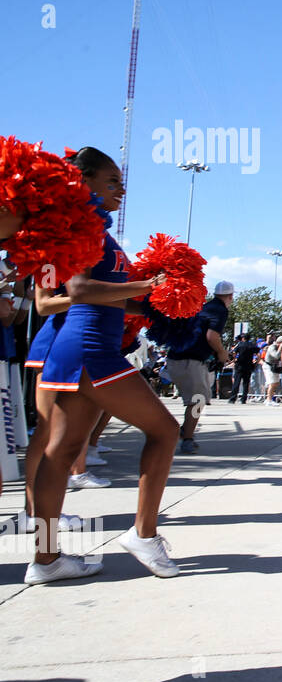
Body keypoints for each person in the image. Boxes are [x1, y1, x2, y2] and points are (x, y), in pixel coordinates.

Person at [30, 147, 180, 583]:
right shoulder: (83, 230)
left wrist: (157, 304)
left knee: (60, 452)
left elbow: (99, 293)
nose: (121, 188)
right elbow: (75, 289)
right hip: (89, 347)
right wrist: (149, 285)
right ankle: (144, 536)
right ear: (85, 182)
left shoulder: (90, 231)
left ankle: (45, 560)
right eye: (112, 180)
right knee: (165, 430)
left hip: (77, 348)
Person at [168, 280, 234, 454]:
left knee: (198, 398)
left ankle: (185, 430)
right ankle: (187, 437)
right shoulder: (220, 310)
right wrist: (221, 353)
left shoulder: (204, 307)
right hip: (191, 360)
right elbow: (212, 336)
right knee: (198, 400)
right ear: (230, 296)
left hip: (177, 357)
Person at [228, 331, 259, 403]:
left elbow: (234, 352)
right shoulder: (252, 345)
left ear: (243, 338)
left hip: (239, 365)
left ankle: (232, 399)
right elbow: (258, 354)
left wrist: (234, 359)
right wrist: (256, 362)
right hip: (248, 365)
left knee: (237, 382)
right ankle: (243, 399)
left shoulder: (240, 344)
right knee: (246, 382)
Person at [261, 333, 282, 406]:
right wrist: (281, 347)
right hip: (268, 366)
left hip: (274, 367)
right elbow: (276, 356)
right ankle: (269, 400)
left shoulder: (278, 348)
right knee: (272, 383)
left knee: (276, 383)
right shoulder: (272, 347)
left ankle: (269, 398)